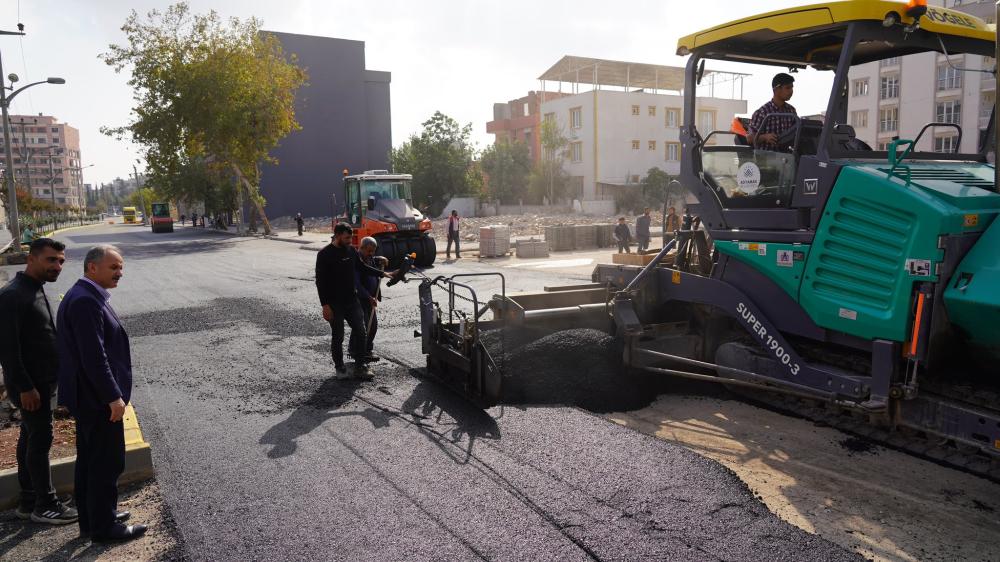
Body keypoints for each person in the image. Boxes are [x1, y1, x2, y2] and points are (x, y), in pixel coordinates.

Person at [56, 245, 146, 543]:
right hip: (97, 400)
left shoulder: (86, 295)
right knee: (106, 463)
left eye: (121, 267)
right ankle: (104, 528)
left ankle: (94, 518)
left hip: (88, 397)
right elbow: (94, 357)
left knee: (90, 461)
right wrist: (112, 397)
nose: (120, 273)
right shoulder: (85, 301)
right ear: (92, 267)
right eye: (113, 267)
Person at [0, 238, 78, 525]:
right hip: (32, 385)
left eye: (61, 261)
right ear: (31, 258)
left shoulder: (34, 288)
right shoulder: (13, 295)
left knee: (30, 436)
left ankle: (30, 499)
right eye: (51, 260)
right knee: (41, 439)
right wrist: (24, 387)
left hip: (42, 381)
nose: (57, 266)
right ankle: (45, 504)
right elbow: (7, 348)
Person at [316, 224, 393, 377]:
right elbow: (320, 282)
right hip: (334, 303)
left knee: (361, 332)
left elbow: (362, 267)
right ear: (337, 235)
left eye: (351, 237)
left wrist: (381, 273)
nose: (350, 241)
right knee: (338, 336)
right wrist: (325, 306)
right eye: (347, 238)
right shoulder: (324, 254)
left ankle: (360, 366)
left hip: (352, 301)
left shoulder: (351, 251)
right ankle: (340, 367)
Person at [357, 237, 388, 361]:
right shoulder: (357, 261)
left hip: (370, 299)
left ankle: (367, 350)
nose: (371, 254)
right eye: (369, 251)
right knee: (363, 327)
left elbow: (373, 262)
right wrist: (368, 296)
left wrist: (380, 258)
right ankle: (358, 353)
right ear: (362, 248)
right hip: (360, 299)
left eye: (373, 251)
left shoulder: (369, 258)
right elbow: (357, 284)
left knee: (373, 326)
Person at [746, 73, 797, 149]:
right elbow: (749, 138)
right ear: (777, 89)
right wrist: (764, 137)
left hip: (787, 155)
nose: (791, 91)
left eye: (792, 88)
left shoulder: (791, 111)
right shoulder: (762, 113)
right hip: (765, 156)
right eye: (788, 88)